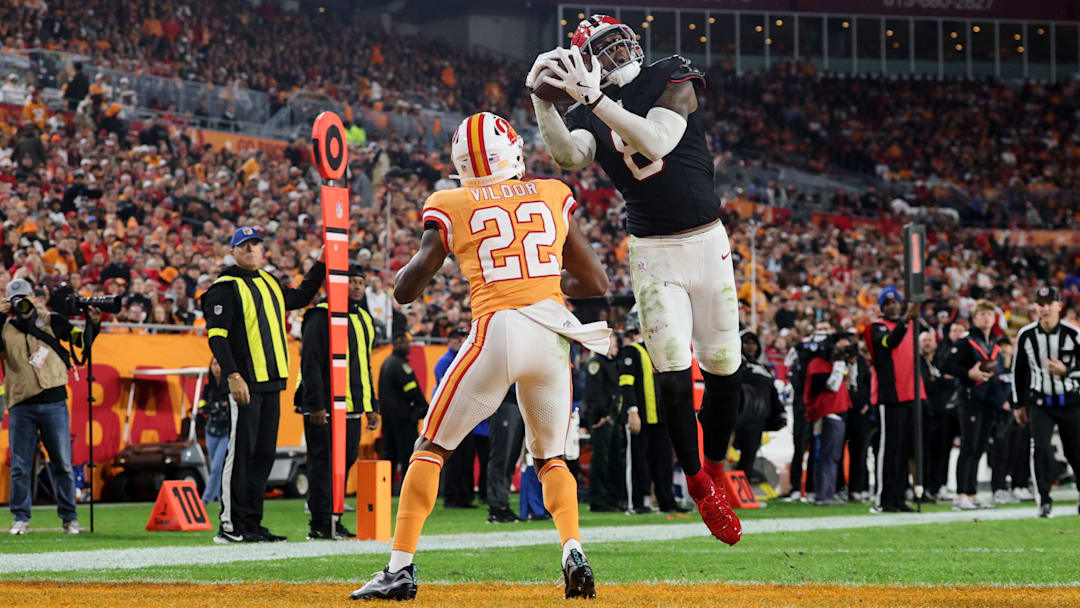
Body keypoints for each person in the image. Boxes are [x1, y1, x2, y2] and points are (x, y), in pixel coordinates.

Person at [349, 112, 610, 601]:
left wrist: (424, 259)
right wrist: (547, 284)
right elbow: (595, 283)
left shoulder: (452, 201)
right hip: (554, 332)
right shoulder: (551, 191)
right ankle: (573, 549)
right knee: (550, 457)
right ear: (511, 152)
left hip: (498, 328)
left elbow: (407, 289)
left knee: (431, 447)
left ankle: (399, 568)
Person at [529, 14, 741, 545]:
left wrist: (596, 101)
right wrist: (544, 103)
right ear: (587, 62)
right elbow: (567, 153)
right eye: (604, 48)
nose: (620, 51)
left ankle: (714, 468)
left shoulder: (672, 75)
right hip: (653, 251)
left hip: (708, 240)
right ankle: (696, 483)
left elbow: (660, 140)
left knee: (724, 371)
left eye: (621, 40)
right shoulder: (589, 110)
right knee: (671, 368)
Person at [202, 226, 325, 543]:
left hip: (272, 380)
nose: (252, 250)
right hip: (246, 381)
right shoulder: (224, 287)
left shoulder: (269, 281)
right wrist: (233, 375)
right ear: (233, 251)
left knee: (263, 455)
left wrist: (322, 264)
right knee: (240, 453)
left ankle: (252, 523)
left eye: (256, 244)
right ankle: (229, 525)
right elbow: (217, 337)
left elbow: (298, 297)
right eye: (245, 246)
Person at [2, 278, 101, 535]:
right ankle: (20, 519)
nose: (21, 303)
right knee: (20, 466)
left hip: (54, 401)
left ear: (33, 297)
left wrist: (94, 324)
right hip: (21, 404)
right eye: (15, 299)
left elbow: (79, 340)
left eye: (24, 296)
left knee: (63, 464)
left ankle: (70, 518)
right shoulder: (4, 327)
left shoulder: (51, 320)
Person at [297, 263, 378, 540]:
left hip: (354, 404)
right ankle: (320, 522)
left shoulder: (364, 319)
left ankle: (335, 517)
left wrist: (372, 406)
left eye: (360, 282)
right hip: (327, 406)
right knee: (323, 462)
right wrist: (315, 405)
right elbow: (311, 363)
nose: (356, 287)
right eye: (351, 281)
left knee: (344, 462)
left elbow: (364, 365)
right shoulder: (320, 316)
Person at [1011, 286, 1080, 518]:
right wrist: (1018, 404)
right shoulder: (1026, 335)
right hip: (1040, 402)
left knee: (1075, 452)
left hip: (1071, 401)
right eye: (1040, 304)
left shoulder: (1073, 334)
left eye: (1050, 303)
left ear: (1059, 306)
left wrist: (1066, 370)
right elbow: (1018, 372)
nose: (1045, 308)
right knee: (1039, 449)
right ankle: (1044, 500)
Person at [943, 299, 1009, 510]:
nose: (986, 317)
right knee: (968, 446)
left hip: (988, 402)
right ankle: (960, 494)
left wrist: (1002, 401)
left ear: (994, 317)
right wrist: (967, 373)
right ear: (974, 317)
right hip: (970, 398)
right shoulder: (966, 341)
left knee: (979, 447)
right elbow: (945, 364)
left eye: (989, 314)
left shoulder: (994, 344)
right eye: (981, 314)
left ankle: (972, 493)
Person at [865, 286, 925, 514]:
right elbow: (888, 343)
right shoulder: (875, 328)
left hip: (911, 395)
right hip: (890, 396)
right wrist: (907, 319)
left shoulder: (911, 326)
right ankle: (882, 498)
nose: (891, 306)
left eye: (895, 302)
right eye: (887, 303)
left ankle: (898, 497)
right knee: (888, 449)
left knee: (904, 450)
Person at [619, 323, 685, 514]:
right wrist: (632, 411)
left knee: (664, 461)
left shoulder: (661, 351)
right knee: (637, 460)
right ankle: (637, 503)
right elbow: (625, 383)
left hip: (660, 416)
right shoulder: (632, 351)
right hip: (640, 414)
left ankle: (667, 501)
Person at [804, 334, 854, 505]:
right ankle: (824, 494)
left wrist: (848, 363)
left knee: (830, 456)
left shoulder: (829, 365)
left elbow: (850, 383)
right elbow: (831, 385)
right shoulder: (817, 364)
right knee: (826, 456)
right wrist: (840, 364)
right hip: (826, 414)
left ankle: (827, 492)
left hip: (832, 415)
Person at [378, 331, 428, 491]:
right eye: (405, 342)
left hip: (388, 418)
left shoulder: (387, 363)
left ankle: (385, 490)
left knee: (389, 455)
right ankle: (408, 490)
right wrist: (425, 408)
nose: (408, 346)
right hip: (403, 418)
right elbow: (412, 390)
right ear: (397, 343)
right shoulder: (400, 365)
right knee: (408, 455)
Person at [435, 327, 479, 509]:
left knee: (466, 458)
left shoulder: (464, 359)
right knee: (454, 459)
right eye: (457, 338)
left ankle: (465, 497)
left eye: (463, 337)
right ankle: (452, 497)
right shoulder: (444, 362)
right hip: (452, 415)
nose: (460, 341)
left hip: (466, 415)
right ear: (450, 341)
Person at [736, 331, 785, 484]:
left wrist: (779, 414)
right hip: (735, 417)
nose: (750, 347)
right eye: (747, 343)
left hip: (758, 419)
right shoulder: (735, 364)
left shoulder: (763, 368)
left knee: (749, 455)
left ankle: (743, 488)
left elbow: (773, 393)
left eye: (753, 343)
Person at [583, 333, 623, 512]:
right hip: (602, 417)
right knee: (601, 458)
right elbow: (594, 392)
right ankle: (598, 499)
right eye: (613, 344)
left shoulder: (610, 362)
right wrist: (603, 414)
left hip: (611, 415)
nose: (616, 348)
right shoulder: (596, 363)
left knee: (613, 457)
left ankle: (611, 497)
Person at [919, 331, 958, 503]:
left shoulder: (942, 361)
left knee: (943, 452)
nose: (927, 343)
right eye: (924, 340)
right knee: (924, 453)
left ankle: (939, 486)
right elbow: (925, 385)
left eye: (930, 340)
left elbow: (954, 382)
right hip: (924, 415)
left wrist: (938, 381)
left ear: (936, 343)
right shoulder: (916, 363)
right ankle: (923, 487)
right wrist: (942, 381)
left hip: (945, 415)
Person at [198, 357, 230, 505]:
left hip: (226, 432)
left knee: (217, 466)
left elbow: (227, 407)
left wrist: (214, 407)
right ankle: (220, 498)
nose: (217, 368)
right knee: (214, 467)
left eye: (219, 364)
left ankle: (205, 499)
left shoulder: (229, 386)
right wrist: (218, 406)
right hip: (211, 431)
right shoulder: (208, 387)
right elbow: (202, 408)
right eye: (214, 364)